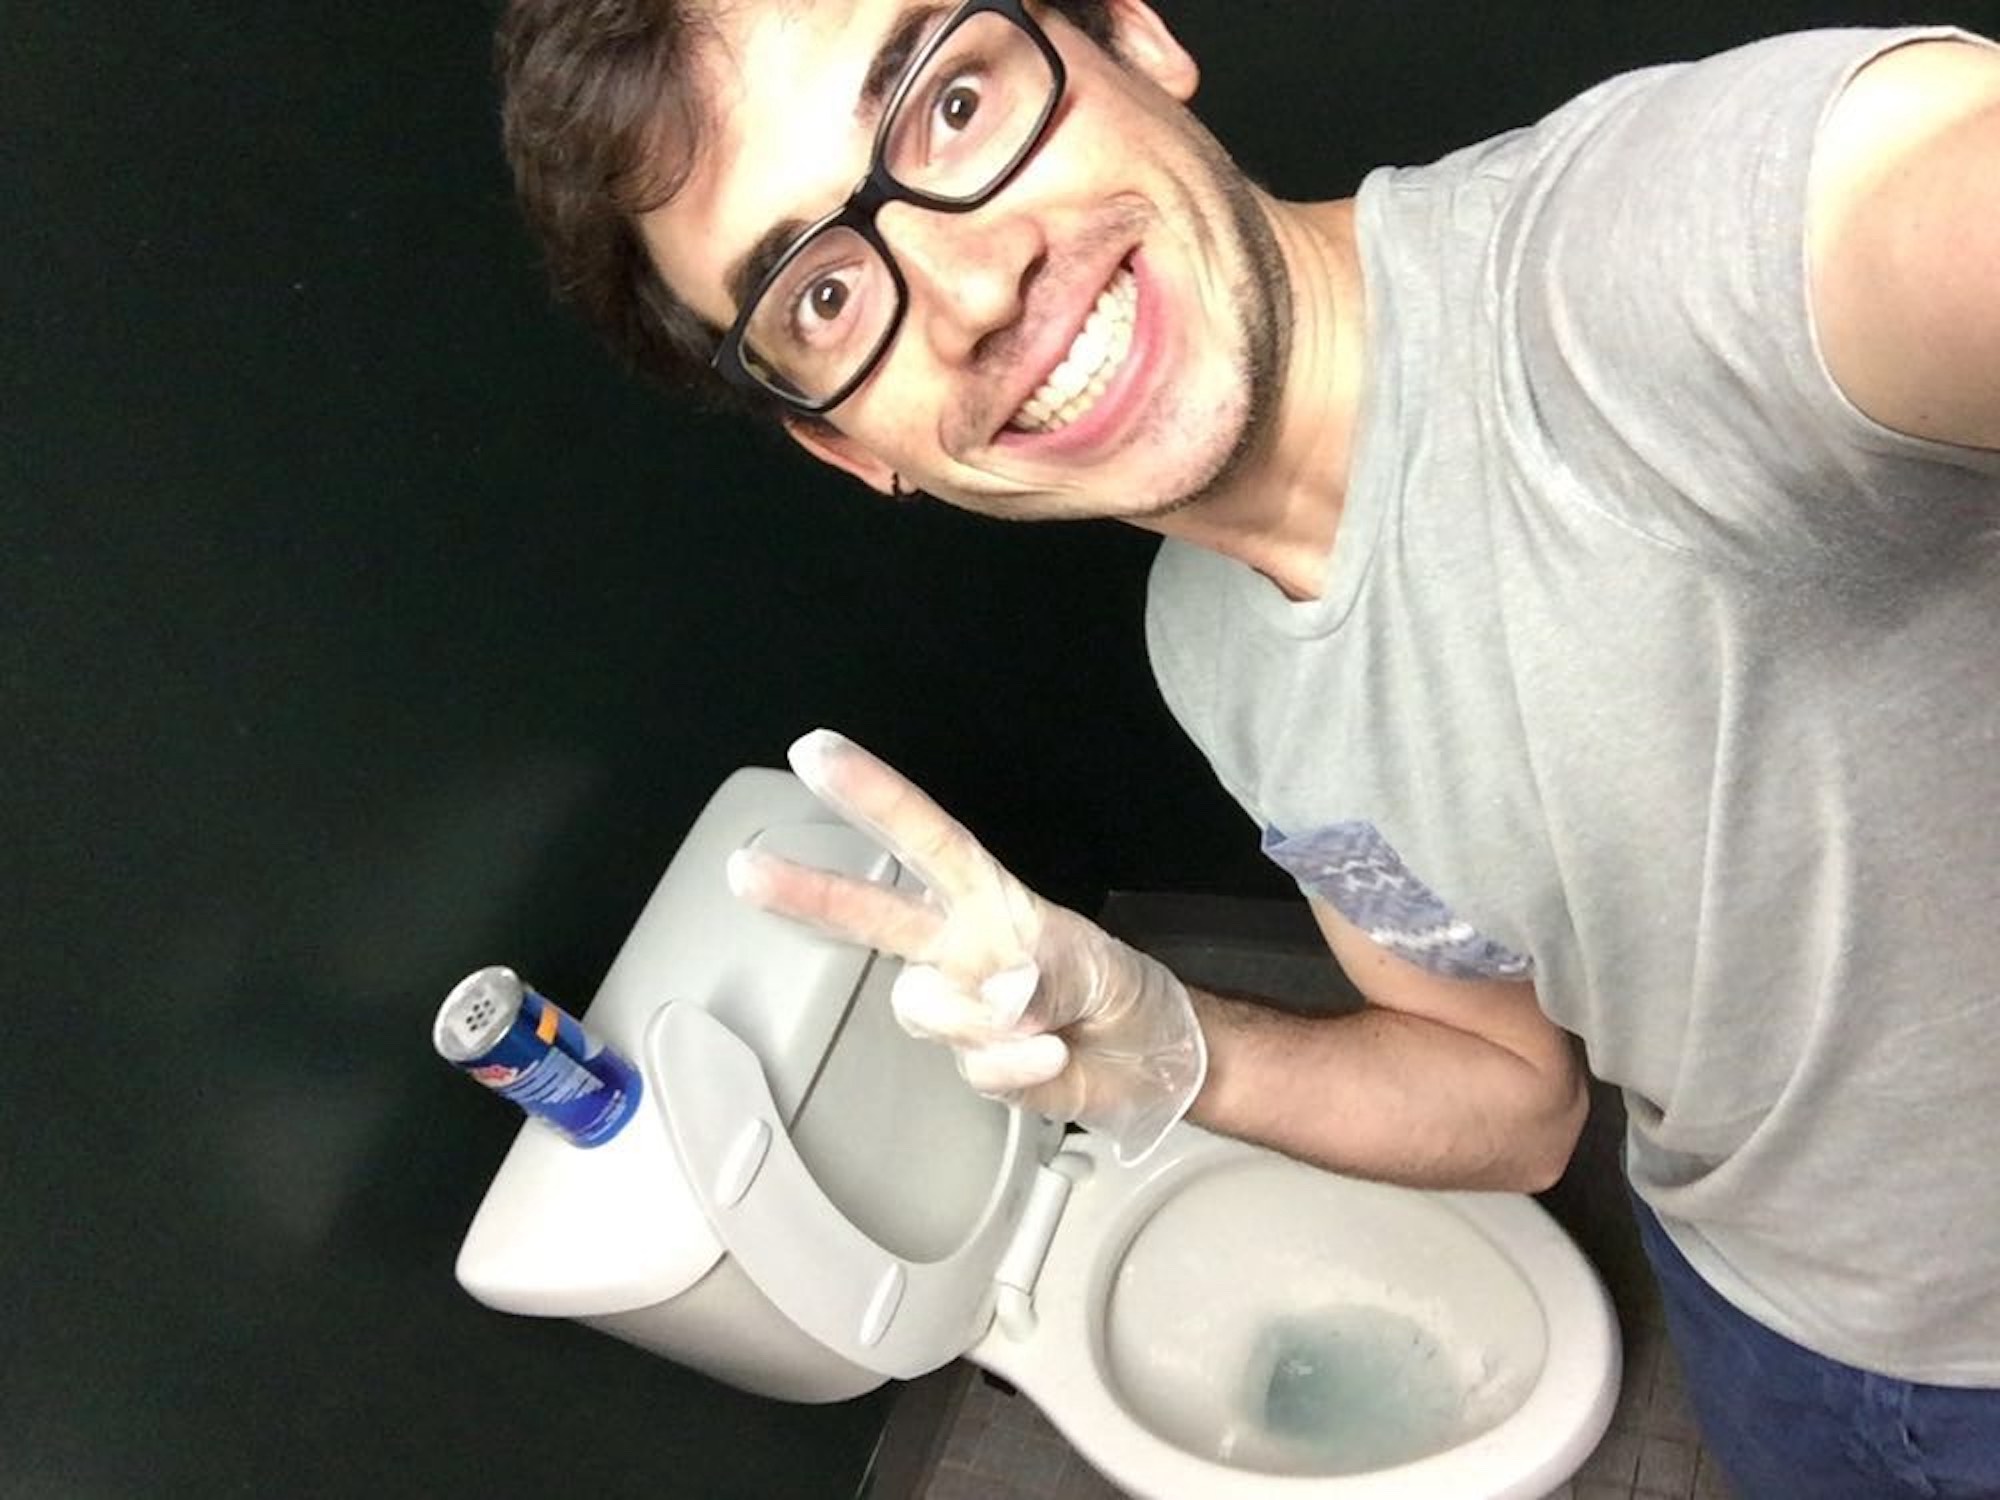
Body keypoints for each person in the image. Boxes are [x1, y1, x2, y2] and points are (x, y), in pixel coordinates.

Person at [494, 2, 2000, 1493]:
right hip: (1753, 1298)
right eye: (824, 295)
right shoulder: (1205, 643)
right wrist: (1166, 1047)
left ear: (1132, 37)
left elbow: (1922, 207)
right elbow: (1512, 1099)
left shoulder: (1659, 255)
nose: (970, 289)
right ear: (847, 444)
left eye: (951, 103)